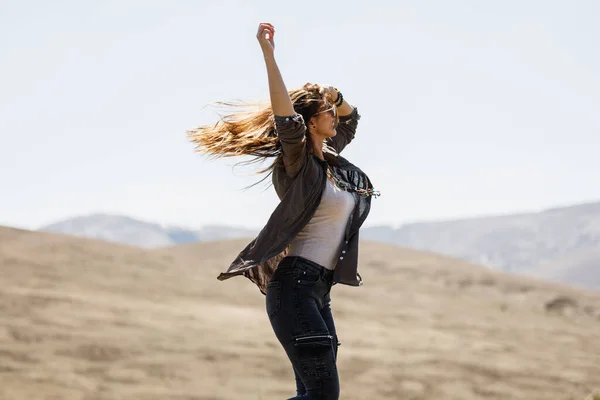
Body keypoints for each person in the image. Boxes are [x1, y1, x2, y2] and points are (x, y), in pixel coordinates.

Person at [187, 22, 379, 400]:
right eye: (326, 111)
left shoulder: (331, 161)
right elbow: (286, 120)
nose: (334, 116)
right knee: (323, 395)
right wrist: (269, 56)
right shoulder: (300, 162)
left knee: (313, 392)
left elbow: (352, 117)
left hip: (318, 291)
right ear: (309, 123)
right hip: (295, 286)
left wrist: (334, 94)